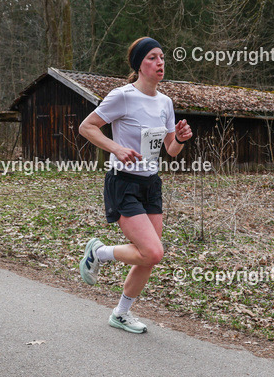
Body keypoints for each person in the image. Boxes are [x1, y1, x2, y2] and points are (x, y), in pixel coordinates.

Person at [77, 37, 193, 332]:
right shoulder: (123, 96)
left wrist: (179, 138)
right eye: (153, 58)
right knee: (153, 251)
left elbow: (170, 150)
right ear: (139, 65)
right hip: (124, 183)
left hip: (151, 184)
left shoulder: (165, 102)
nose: (160, 63)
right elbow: (87, 127)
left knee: (148, 258)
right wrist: (115, 148)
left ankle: (121, 313)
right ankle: (99, 252)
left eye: (162, 57)